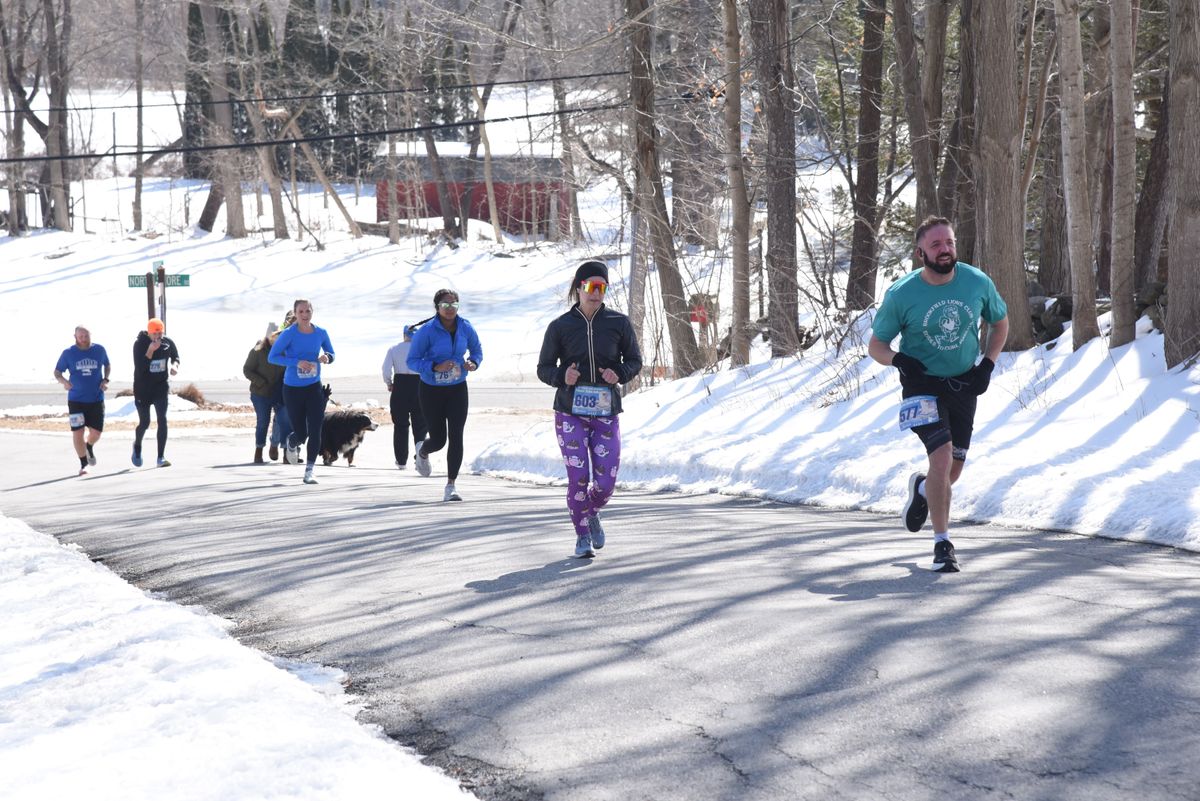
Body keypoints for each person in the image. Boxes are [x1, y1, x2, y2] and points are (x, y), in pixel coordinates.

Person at [868, 216, 1009, 572]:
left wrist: (987, 366)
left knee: (950, 472)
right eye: (935, 245)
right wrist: (899, 360)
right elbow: (876, 345)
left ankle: (921, 491)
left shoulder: (977, 282)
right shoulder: (902, 294)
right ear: (920, 254)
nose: (944, 250)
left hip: (963, 384)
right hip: (921, 385)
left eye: (948, 243)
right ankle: (942, 545)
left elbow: (1001, 322)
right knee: (942, 456)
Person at [537, 260, 643, 558]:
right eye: (590, 287)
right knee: (579, 479)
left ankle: (591, 512)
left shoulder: (618, 323)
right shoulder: (560, 326)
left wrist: (618, 374)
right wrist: (562, 376)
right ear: (579, 288)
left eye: (602, 287)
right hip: (570, 412)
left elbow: (634, 361)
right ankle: (582, 534)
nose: (596, 293)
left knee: (606, 482)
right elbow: (543, 368)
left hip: (606, 412)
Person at [406, 289, 482, 501]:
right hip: (431, 390)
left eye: (454, 305)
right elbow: (412, 360)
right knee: (439, 440)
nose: (450, 309)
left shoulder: (466, 327)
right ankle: (422, 450)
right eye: (445, 305)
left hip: (457, 388)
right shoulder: (426, 331)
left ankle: (451, 486)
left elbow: (477, 350)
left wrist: (473, 363)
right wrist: (434, 366)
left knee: (456, 435)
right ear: (437, 307)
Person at [269, 299, 335, 485]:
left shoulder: (321, 332)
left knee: (316, 428)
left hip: (313, 386)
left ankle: (309, 470)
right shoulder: (289, 334)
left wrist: (326, 357)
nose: (305, 315)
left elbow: (332, 353)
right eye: (301, 312)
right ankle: (293, 440)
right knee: (302, 433)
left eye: (308, 311)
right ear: (295, 313)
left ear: (312, 311)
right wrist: (296, 362)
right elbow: (272, 357)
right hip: (292, 388)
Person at [53, 325, 111, 476]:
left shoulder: (99, 350)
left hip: (96, 399)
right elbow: (57, 372)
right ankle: (84, 463)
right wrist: (64, 382)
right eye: (81, 337)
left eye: (86, 336)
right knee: (78, 432)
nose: (84, 339)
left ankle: (89, 445)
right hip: (76, 400)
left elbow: (107, 364)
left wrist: (105, 379)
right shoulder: (68, 353)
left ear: (90, 335)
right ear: (75, 337)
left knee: (96, 433)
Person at [131, 317, 180, 468]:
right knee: (144, 423)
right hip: (143, 389)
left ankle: (161, 457)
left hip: (160, 387)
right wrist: (150, 350)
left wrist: (175, 366)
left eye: (160, 334)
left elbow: (176, 357)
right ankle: (137, 445)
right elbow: (141, 368)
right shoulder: (140, 344)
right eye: (155, 334)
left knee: (162, 419)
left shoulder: (167, 343)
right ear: (149, 333)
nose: (158, 337)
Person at [244, 320, 292, 464]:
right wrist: (261, 382)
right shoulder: (257, 350)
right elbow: (247, 370)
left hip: (279, 393)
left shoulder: (285, 351)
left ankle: (285, 452)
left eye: (279, 336)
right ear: (267, 336)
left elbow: (290, 369)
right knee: (263, 422)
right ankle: (258, 451)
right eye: (273, 336)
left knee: (284, 421)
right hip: (261, 394)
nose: (275, 338)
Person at [382, 324, 428, 469]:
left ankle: (401, 461)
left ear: (404, 335)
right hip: (419, 385)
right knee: (420, 426)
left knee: (400, 425)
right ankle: (419, 457)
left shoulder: (394, 349)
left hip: (400, 386)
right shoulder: (423, 349)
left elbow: (385, 369)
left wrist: (389, 383)